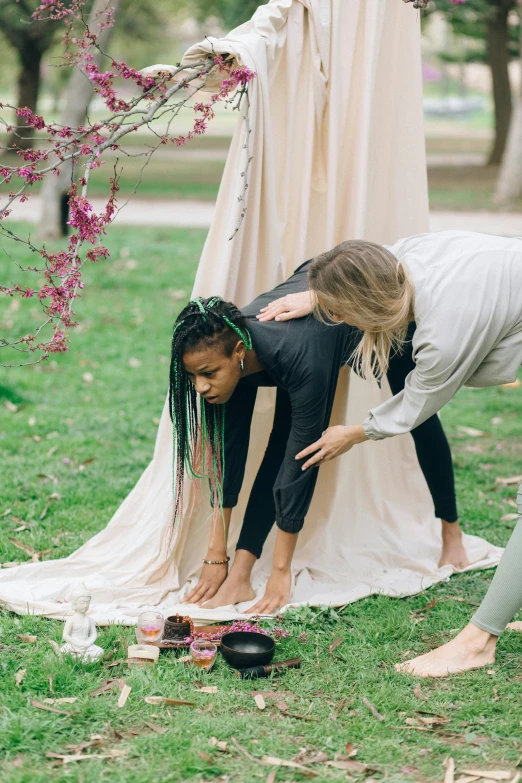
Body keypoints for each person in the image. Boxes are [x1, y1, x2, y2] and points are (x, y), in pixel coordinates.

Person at [259, 230, 522, 673]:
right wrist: (314, 298)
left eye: (342, 313)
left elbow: (419, 401)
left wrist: (356, 432)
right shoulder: (407, 257)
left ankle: (478, 641)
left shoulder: (443, 330)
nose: (340, 321)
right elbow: (382, 259)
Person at [169, 261, 463, 615]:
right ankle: (240, 576)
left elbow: (301, 461)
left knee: (418, 416)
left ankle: (451, 530)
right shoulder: (218, 347)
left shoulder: (299, 356)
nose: (200, 386)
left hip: (373, 306)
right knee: (265, 445)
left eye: (207, 374)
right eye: (192, 377)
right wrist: (217, 557)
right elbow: (227, 454)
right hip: (302, 327)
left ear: (239, 354)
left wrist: (281, 573)